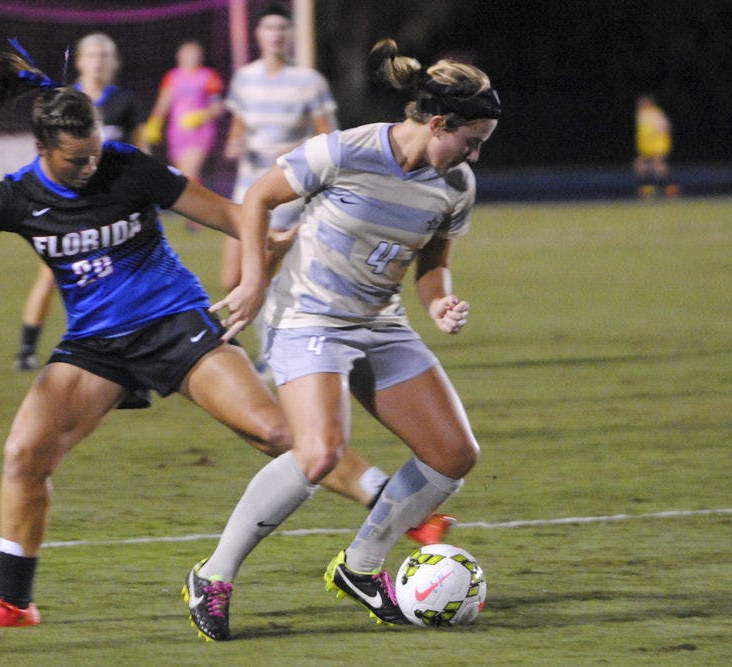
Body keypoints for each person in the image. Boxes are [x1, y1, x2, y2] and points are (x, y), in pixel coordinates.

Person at [0, 45, 395, 632]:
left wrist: (264, 256)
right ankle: (14, 604)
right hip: (96, 345)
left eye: (92, 153)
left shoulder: (127, 165)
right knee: (23, 455)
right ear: (41, 150)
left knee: (276, 431)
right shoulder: (17, 195)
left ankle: (394, 505)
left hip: (172, 321)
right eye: (74, 160)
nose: (89, 166)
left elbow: (231, 215)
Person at [182, 39, 501, 641]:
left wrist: (440, 303)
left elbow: (431, 261)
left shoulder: (454, 183)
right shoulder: (346, 150)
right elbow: (259, 199)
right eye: (471, 140)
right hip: (309, 318)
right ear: (438, 123)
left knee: (453, 454)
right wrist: (253, 281)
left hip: (380, 322)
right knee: (319, 453)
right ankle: (214, 575)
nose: (475, 156)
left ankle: (360, 568)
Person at [15, 32, 147, 371]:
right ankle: (27, 348)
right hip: (72, 204)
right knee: (50, 274)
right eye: (92, 55)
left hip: (114, 206)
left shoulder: (124, 102)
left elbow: (140, 152)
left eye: (105, 55)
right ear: (80, 61)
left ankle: (129, 345)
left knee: (124, 274)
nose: (99, 61)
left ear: (113, 62)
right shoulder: (63, 100)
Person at [220, 2, 338, 375]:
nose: (276, 35)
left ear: (290, 36)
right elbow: (238, 126)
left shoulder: (309, 81)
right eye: (270, 29)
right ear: (259, 36)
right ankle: (249, 351)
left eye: (283, 30)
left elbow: (329, 137)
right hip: (245, 189)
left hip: (286, 192)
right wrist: (235, 142)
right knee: (231, 278)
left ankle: (273, 354)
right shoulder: (244, 78)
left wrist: (295, 152)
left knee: (265, 276)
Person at [143, 39, 225, 191]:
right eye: (187, 53)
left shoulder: (209, 76)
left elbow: (218, 107)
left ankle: (196, 211)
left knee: (190, 172)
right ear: (179, 56)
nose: (191, 57)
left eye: (195, 53)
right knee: (183, 177)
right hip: (177, 133)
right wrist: (154, 123)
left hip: (200, 132)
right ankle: (193, 210)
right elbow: (163, 102)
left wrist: (200, 116)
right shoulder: (172, 77)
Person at [633, 94, 677, 199]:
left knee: (658, 166)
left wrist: (655, 133)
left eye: (642, 103)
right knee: (641, 165)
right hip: (648, 146)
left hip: (657, 145)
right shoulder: (642, 114)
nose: (640, 105)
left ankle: (669, 188)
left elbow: (665, 126)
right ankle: (649, 188)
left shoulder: (654, 113)